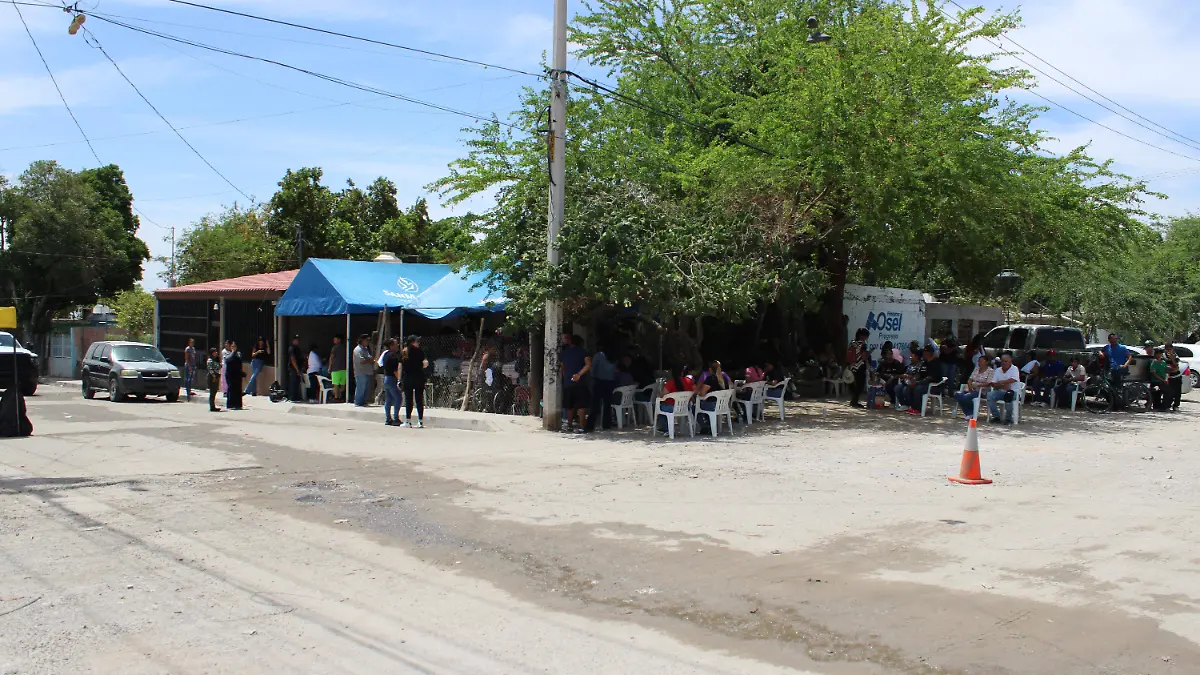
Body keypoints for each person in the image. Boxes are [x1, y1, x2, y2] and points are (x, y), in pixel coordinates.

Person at [561, 334, 592, 433]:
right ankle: (582, 427)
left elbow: (563, 368)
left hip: (568, 383)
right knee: (581, 406)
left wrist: (566, 378)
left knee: (569, 406)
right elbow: (588, 365)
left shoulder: (564, 353)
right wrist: (579, 374)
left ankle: (569, 425)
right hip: (580, 383)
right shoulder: (584, 353)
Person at [585, 346, 617, 432]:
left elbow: (593, 370)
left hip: (599, 382)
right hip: (610, 382)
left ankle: (590, 425)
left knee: (595, 405)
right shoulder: (613, 357)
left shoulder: (598, 356)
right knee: (607, 404)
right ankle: (606, 424)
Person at [904, 346, 943, 416]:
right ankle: (912, 406)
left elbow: (931, 377)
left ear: (929, 353)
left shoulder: (936, 362)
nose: (923, 354)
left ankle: (918, 409)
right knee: (909, 387)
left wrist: (918, 382)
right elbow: (919, 374)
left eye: (925, 352)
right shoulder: (924, 362)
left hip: (933, 385)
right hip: (923, 383)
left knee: (917, 389)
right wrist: (914, 380)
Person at [400, 335, 427, 427]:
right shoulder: (420, 351)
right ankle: (420, 421)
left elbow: (401, 366)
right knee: (419, 399)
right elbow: (424, 364)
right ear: (413, 342)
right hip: (419, 376)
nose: (418, 343)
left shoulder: (404, 351)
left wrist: (399, 379)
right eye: (417, 341)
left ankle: (408, 421)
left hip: (408, 377)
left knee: (409, 400)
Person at [987, 352, 1021, 424]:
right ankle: (996, 417)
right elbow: (993, 383)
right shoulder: (998, 370)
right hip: (1001, 390)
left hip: (1013, 391)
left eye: (1006, 361)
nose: (1004, 363)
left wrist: (1003, 381)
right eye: (1002, 361)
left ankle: (1008, 419)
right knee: (990, 395)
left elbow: (1014, 379)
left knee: (1008, 395)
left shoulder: (1014, 369)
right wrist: (1002, 385)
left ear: (1010, 362)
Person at [846, 328, 870, 408]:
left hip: (851, 366)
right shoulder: (862, 344)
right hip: (860, 366)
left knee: (854, 384)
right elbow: (864, 356)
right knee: (860, 385)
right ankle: (854, 401)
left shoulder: (852, 343)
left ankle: (853, 400)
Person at [380, 338, 402, 425]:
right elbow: (395, 370)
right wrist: (399, 380)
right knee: (398, 398)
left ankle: (388, 418)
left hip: (386, 378)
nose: (397, 346)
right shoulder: (393, 356)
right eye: (396, 344)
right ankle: (396, 418)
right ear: (391, 345)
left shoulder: (385, 355)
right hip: (392, 379)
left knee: (389, 399)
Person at [352, 334, 374, 407]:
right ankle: (358, 402)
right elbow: (361, 360)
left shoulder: (366, 349)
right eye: (366, 340)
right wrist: (369, 360)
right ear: (362, 341)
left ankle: (363, 402)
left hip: (367, 371)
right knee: (361, 387)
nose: (368, 342)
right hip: (361, 372)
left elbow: (369, 358)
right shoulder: (357, 349)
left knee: (366, 388)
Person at [224, 341, 244, 410]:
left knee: (238, 389)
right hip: (230, 374)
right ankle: (230, 404)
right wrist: (232, 352)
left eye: (234, 346)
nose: (233, 348)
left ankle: (238, 404)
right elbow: (227, 360)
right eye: (232, 347)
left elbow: (239, 361)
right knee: (231, 388)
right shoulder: (227, 353)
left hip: (237, 374)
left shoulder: (238, 354)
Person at [329, 335, 348, 403]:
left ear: (339, 340)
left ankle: (336, 396)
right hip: (342, 369)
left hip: (336, 368)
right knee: (341, 384)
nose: (334, 340)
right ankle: (338, 396)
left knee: (337, 384)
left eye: (335, 339)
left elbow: (331, 357)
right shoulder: (345, 347)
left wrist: (329, 367)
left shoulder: (335, 348)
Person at [1165, 344, 1184, 412]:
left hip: (1176, 376)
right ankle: (1167, 405)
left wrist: (1172, 358)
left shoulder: (1175, 355)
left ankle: (1176, 405)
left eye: (1170, 349)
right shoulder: (1164, 356)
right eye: (1167, 349)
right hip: (1169, 376)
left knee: (1177, 392)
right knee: (1169, 392)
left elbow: (1176, 365)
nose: (1169, 351)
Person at [286, 336, 304, 402]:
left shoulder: (297, 348)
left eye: (298, 340)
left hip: (297, 368)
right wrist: (297, 369)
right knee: (293, 382)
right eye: (296, 340)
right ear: (293, 341)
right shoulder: (292, 348)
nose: (297, 341)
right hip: (293, 368)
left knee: (297, 382)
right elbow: (292, 359)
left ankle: (296, 397)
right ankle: (292, 397)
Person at [206, 347, 223, 412]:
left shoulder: (216, 360)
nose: (216, 353)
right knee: (212, 392)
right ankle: (212, 406)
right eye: (215, 352)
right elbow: (210, 369)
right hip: (212, 377)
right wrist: (214, 376)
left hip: (216, 376)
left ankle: (213, 406)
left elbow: (219, 366)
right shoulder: (210, 360)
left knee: (214, 391)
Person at [183, 338, 197, 402]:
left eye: (193, 342)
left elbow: (194, 357)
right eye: (191, 342)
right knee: (188, 379)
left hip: (193, 365)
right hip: (188, 365)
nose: (192, 343)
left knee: (191, 379)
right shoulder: (187, 349)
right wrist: (189, 366)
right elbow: (186, 358)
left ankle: (190, 390)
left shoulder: (193, 349)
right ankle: (187, 391)